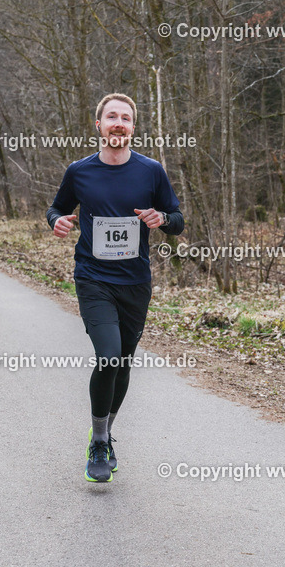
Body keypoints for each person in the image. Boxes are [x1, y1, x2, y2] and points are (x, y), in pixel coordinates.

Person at [47, 93, 184, 483]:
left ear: (133, 128)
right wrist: (55, 220)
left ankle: (102, 430)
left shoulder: (151, 171)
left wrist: (163, 219)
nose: (118, 123)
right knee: (108, 356)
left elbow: (177, 218)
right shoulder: (80, 171)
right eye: (112, 117)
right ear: (99, 125)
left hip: (135, 283)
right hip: (93, 278)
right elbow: (56, 207)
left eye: (126, 117)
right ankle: (100, 442)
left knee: (122, 361)